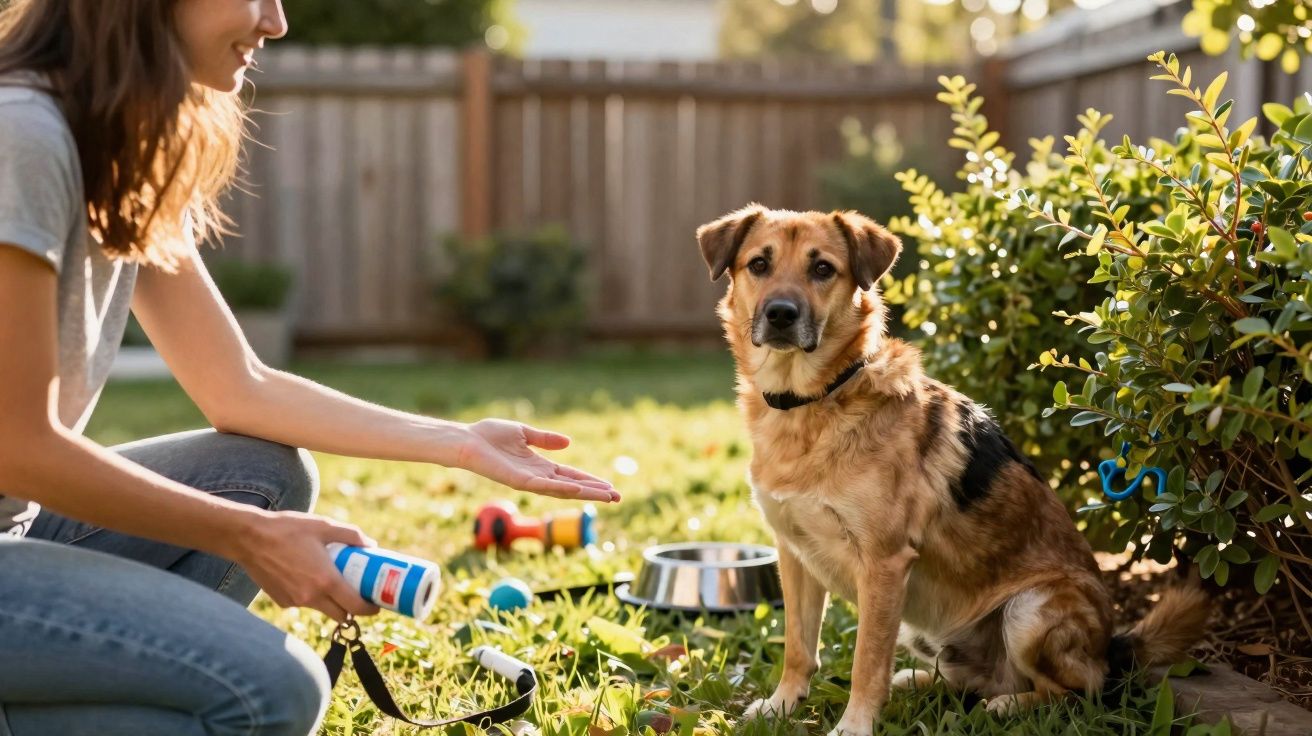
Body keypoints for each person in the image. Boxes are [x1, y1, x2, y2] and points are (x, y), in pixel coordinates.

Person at [0, 1, 619, 734]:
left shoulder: (115, 150)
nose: (277, 21)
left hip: (16, 535)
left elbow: (239, 387)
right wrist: (250, 539)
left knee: (264, 475)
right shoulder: (25, 135)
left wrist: (455, 442)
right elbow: (20, 444)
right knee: (276, 690)